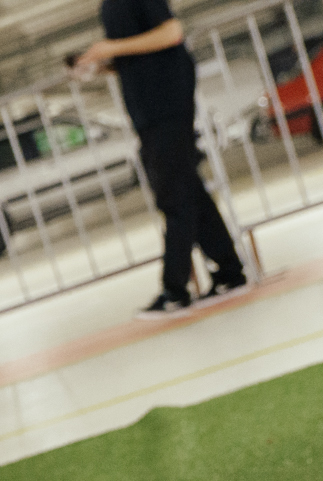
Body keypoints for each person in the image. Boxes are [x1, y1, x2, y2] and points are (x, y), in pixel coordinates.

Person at [73, 0, 248, 316]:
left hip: (165, 106)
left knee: (174, 196)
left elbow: (171, 33)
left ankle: (175, 290)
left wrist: (110, 46)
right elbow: (141, 52)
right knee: (189, 191)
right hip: (150, 111)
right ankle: (229, 272)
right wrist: (100, 64)